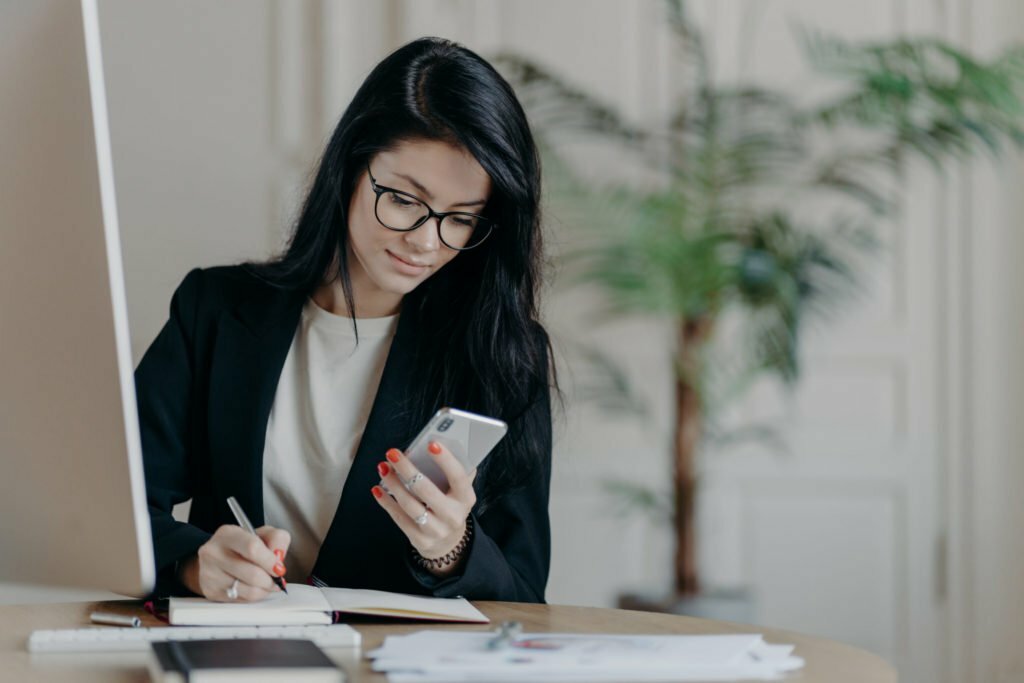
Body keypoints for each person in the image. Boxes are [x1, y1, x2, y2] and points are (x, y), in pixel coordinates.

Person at [136, 37, 555, 604]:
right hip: (235, 653)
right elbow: (119, 504)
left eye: (461, 219)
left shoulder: (503, 356)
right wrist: (193, 561)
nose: (427, 242)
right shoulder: (215, 310)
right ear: (351, 168)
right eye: (405, 200)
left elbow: (524, 598)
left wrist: (452, 550)